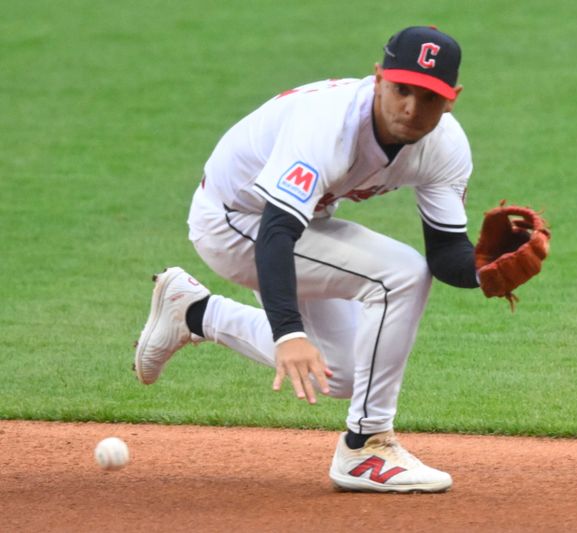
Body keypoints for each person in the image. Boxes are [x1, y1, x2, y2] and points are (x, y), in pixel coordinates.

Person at [135, 26, 484, 493]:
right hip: (234, 222)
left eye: (429, 98)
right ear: (378, 77)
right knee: (399, 275)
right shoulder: (329, 122)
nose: (411, 108)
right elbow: (276, 233)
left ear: (453, 98)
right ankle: (367, 446)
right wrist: (288, 333)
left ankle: (194, 312)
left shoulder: (445, 146)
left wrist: (486, 271)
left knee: (343, 371)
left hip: (298, 226)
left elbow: (446, 252)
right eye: (402, 89)